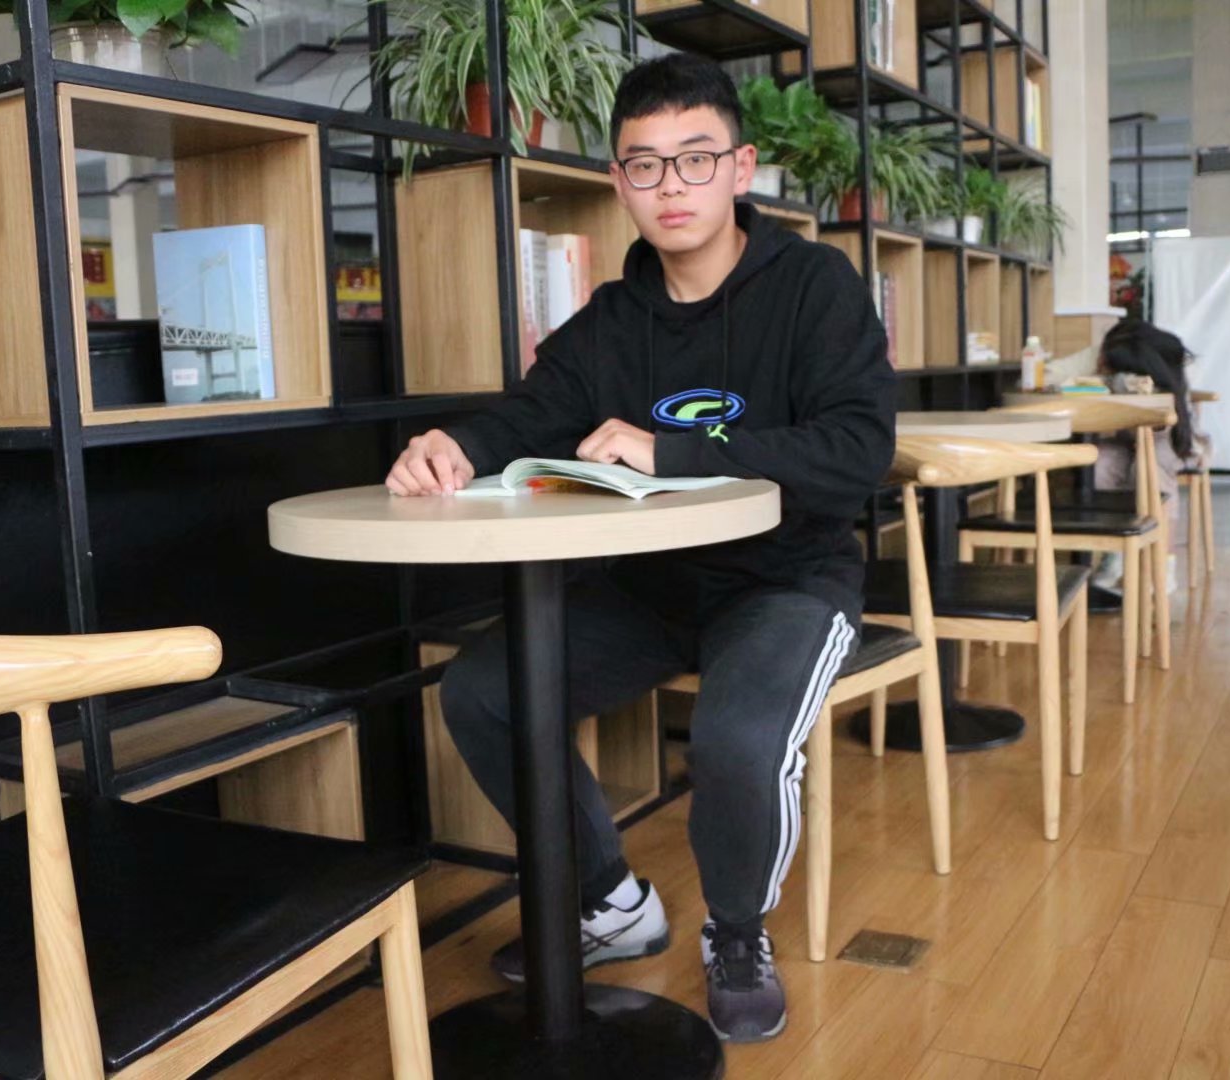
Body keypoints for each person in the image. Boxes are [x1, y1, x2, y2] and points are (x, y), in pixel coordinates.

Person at [383, 53, 894, 1042]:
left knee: (736, 741)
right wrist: (454, 446)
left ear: (740, 167)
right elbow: (532, 413)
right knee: (484, 690)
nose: (672, 186)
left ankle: (736, 931)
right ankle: (611, 903)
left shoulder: (815, 288)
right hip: (653, 588)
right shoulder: (613, 320)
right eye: (646, 165)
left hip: (789, 580)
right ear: (618, 182)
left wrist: (673, 449)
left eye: (695, 158)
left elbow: (856, 451)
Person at [1090, 320, 1201, 592]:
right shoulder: (1113, 360)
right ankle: (1114, 554)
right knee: (1101, 463)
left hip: (1167, 438)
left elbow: (1176, 432)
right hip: (1122, 437)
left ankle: (1162, 563)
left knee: (1150, 468)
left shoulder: (1166, 376)